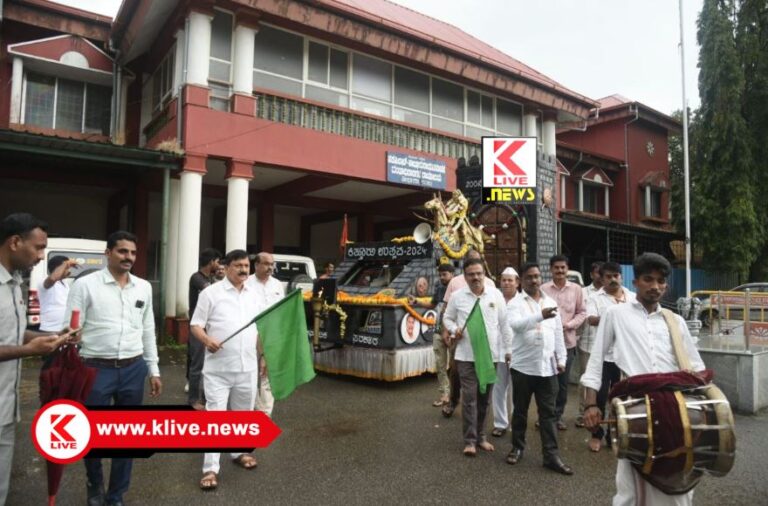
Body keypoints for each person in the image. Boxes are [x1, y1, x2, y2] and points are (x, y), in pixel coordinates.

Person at [582, 253, 705, 505]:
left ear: (666, 286)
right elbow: (595, 363)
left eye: (660, 281)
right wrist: (591, 404)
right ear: (635, 282)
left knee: (678, 482)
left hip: (675, 411)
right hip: (636, 411)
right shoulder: (616, 315)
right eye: (648, 279)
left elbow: (696, 368)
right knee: (631, 486)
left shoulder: (676, 321)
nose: (655, 286)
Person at [66, 230, 162, 506]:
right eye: (122, 251)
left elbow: (148, 330)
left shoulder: (143, 287)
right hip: (94, 369)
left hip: (134, 368)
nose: (128, 257)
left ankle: (116, 495)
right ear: (108, 253)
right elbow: (70, 328)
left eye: (132, 252)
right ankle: (94, 484)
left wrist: (153, 370)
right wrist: (73, 339)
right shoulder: (85, 286)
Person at [0, 213, 71, 506]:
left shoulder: (14, 282)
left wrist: (53, 336)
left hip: (6, 407)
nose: (42, 257)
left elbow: (15, 333)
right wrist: (30, 351)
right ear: (15, 242)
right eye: (38, 248)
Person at [190, 249, 261, 490]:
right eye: (239, 265)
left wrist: (263, 358)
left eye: (246, 266)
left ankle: (239, 452)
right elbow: (196, 325)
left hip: (248, 366)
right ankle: (210, 468)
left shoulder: (255, 293)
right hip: (218, 369)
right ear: (226, 267)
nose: (244, 270)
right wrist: (207, 340)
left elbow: (259, 328)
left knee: (243, 414)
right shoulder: (211, 293)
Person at [507, 262, 573, 475]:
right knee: (520, 411)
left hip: (547, 369)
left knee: (549, 414)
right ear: (521, 281)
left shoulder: (550, 301)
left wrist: (562, 359)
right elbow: (516, 326)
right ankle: (517, 447)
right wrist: (540, 316)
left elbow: (557, 334)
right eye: (529, 277)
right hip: (523, 368)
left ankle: (551, 456)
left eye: (536, 276)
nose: (534, 280)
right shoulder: (515, 303)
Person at [443, 258, 512, 457]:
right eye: (471, 274)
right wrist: (455, 329)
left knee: (485, 400)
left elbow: (505, 324)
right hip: (466, 356)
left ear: (484, 274)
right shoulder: (457, 296)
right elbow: (447, 318)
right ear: (464, 276)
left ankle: (481, 437)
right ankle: (470, 441)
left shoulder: (495, 295)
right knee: (470, 399)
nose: (476, 277)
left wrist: (508, 350)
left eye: (479, 273)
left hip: (491, 356)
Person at [584, 262, 635, 452]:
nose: (613, 279)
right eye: (608, 277)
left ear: (621, 277)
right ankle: (596, 435)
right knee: (599, 397)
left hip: (626, 357)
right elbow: (591, 320)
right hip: (604, 357)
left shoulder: (632, 297)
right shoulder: (595, 298)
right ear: (601, 279)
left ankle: (614, 434)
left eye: (616, 276)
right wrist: (614, 313)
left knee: (622, 399)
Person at [440, 250, 495, 418]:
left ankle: (478, 408)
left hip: (483, 340)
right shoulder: (455, 282)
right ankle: (453, 401)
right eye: (470, 260)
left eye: (477, 260)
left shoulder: (490, 284)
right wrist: (446, 331)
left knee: (482, 374)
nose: (475, 276)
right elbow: (446, 309)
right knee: (456, 372)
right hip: (460, 337)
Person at [541, 254, 586, 430]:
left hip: (567, 343)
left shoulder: (576, 289)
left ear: (567, 269)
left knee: (562, 384)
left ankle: (557, 416)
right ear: (551, 269)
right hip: (546, 344)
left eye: (563, 267)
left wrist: (568, 325)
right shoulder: (543, 289)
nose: (560, 271)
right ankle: (544, 415)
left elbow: (582, 312)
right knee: (545, 382)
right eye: (556, 268)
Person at [246, 252, 285, 416]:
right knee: (249, 375)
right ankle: (251, 409)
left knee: (267, 376)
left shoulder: (277, 285)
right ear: (256, 265)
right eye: (266, 264)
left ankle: (264, 415)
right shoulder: (246, 283)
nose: (270, 267)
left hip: (272, 336)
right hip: (250, 335)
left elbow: (281, 310)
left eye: (272, 264)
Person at [412, 263, 453, 407]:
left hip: (454, 333)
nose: (442, 277)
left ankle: (455, 396)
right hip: (438, 330)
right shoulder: (438, 286)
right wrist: (416, 301)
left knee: (457, 367)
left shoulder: (459, 288)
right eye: (440, 274)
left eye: (444, 274)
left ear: (452, 274)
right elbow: (433, 305)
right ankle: (444, 395)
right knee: (440, 365)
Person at [187, 248, 222, 410]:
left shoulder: (212, 279)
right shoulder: (197, 278)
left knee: (210, 364)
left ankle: (206, 398)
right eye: (217, 261)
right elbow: (210, 291)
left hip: (210, 326)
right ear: (211, 262)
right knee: (197, 365)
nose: (219, 265)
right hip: (198, 327)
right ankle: (193, 400)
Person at [491, 267, 520, 438]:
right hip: (496, 351)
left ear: (517, 282)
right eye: (504, 280)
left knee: (517, 391)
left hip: (517, 353)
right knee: (498, 389)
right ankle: (500, 423)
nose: (507, 283)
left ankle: (516, 423)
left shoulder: (524, 301)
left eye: (510, 280)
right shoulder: (494, 299)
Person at [575, 261, 603, 428]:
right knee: (585, 379)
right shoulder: (584, 292)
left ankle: (601, 412)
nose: (600, 276)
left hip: (609, 348)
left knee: (605, 382)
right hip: (587, 342)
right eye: (598, 273)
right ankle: (581, 413)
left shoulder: (613, 293)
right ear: (592, 274)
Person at [37, 255, 78, 333]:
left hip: (63, 329)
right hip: (49, 330)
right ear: (57, 268)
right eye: (66, 267)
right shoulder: (44, 282)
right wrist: (66, 263)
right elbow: (53, 278)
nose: (69, 270)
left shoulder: (64, 283)